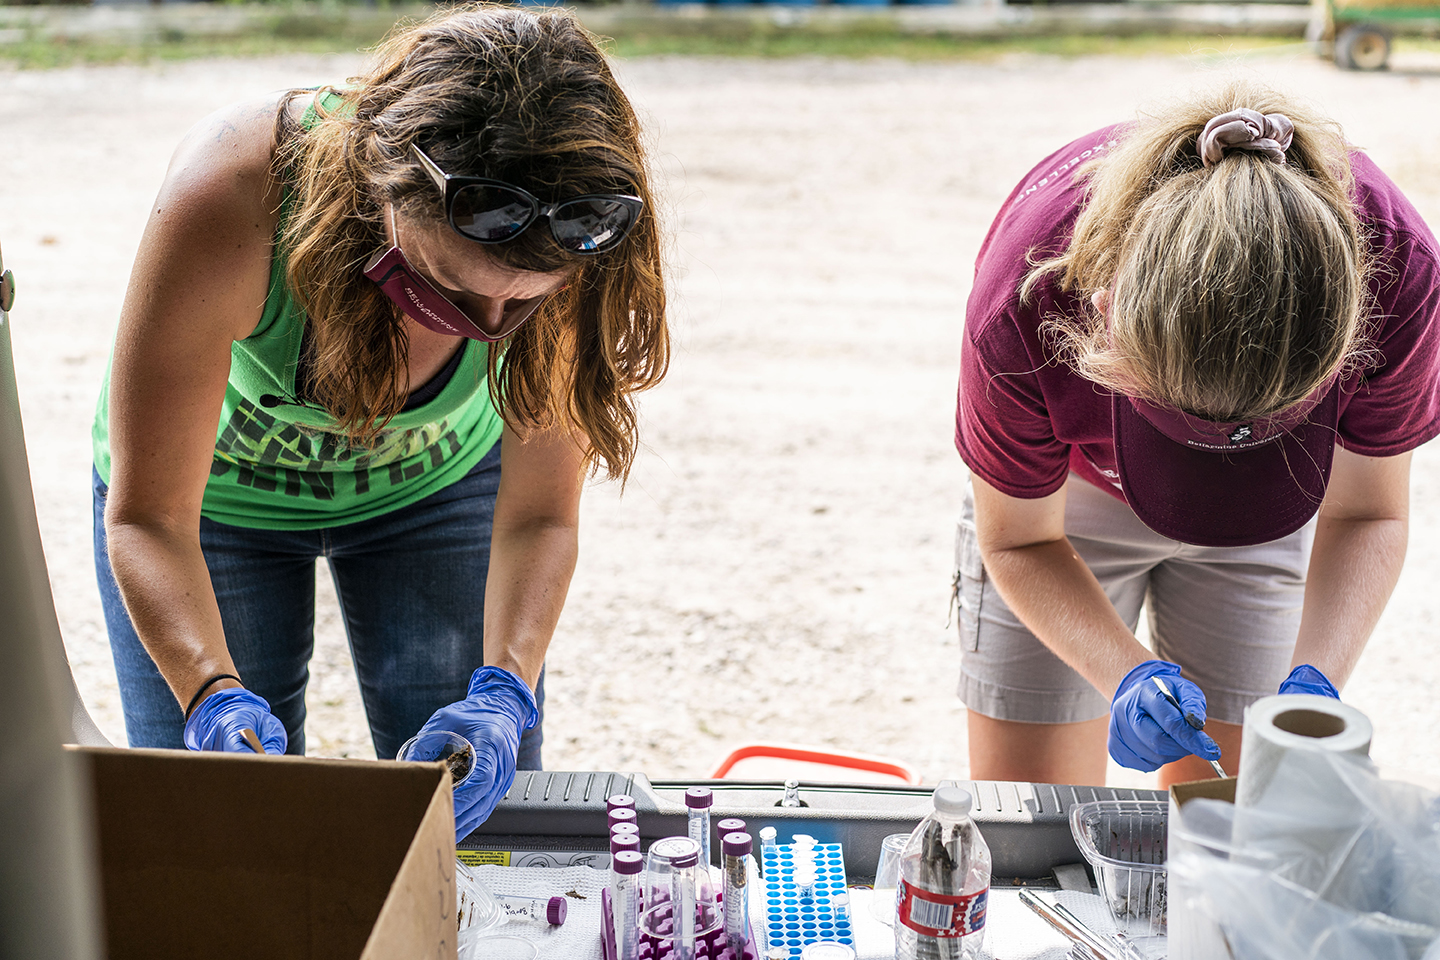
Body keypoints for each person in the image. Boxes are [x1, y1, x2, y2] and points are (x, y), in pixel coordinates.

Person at [91, 5, 667, 837]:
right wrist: (210, 691)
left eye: (521, 306)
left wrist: (507, 689)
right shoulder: (234, 197)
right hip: (208, 510)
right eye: (443, 294)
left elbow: (540, 512)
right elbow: (148, 518)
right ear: (381, 190)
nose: (488, 327)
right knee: (220, 831)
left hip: (431, 493)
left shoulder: (574, 229)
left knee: (473, 824)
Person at [953, 81, 1440, 788]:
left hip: (1277, 500)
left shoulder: (1399, 274)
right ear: (1104, 314)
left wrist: (1317, 681)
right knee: (1038, 820)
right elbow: (1018, 538)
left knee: (1225, 825)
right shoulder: (1026, 298)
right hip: (1069, 508)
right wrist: (1126, 672)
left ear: (1347, 345)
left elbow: (1367, 510)